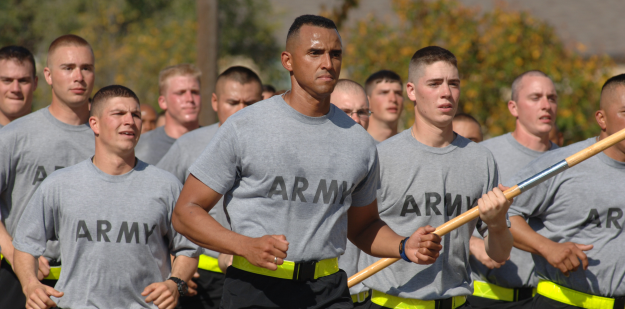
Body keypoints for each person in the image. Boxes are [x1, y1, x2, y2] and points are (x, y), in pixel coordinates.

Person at [171, 15, 444, 309]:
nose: (327, 62)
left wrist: (403, 245)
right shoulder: (244, 127)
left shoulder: (359, 141)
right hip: (254, 288)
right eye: (315, 53)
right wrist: (244, 245)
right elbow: (186, 212)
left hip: (326, 292)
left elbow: (363, 228)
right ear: (287, 60)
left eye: (335, 53)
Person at [12, 85, 200, 309]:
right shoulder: (59, 184)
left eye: (136, 114)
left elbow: (188, 248)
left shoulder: (166, 186)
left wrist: (175, 283)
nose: (130, 120)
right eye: (119, 114)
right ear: (95, 123)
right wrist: (30, 285)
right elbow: (25, 245)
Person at [358, 46, 513, 309]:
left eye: (453, 84)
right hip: (391, 302)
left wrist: (497, 223)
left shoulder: (481, 159)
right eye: (434, 83)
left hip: (455, 301)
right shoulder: (381, 157)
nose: (446, 93)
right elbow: (361, 230)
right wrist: (403, 246)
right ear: (411, 91)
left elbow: (499, 254)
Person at [507, 74, 625, 309]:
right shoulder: (562, 163)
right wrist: (546, 247)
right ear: (602, 119)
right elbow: (502, 213)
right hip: (562, 303)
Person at [0, 34, 96, 309]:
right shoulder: (15, 135)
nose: (78, 76)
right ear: (49, 75)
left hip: (87, 282)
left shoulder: (108, 137)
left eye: (86, 68)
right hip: (20, 281)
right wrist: (14, 251)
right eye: (68, 68)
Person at [157, 66, 263, 309]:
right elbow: (158, 205)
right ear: (215, 102)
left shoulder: (277, 148)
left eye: (250, 102)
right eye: (233, 102)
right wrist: (175, 263)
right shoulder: (189, 145)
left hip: (258, 273)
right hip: (202, 277)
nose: (241, 110)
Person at [468, 70, 559, 309]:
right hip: (484, 298)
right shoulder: (485, 155)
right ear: (513, 107)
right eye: (535, 97)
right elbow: (443, 213)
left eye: (552, 98)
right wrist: (471, 242)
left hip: (546, 300)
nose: (545, 105)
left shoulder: (568, 161)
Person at [330, 79, 372, 306]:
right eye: (346, 111)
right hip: (321, 295)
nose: (356, 119)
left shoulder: (380, 159)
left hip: (366, 297)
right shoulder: (309, 162)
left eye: (363, 112)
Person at [135, 64, 201, 164]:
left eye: (194, 92)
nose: (190, 99)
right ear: (163, 102)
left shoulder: (216, 143)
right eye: (181, 92)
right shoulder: (138, 147)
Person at [0, 46, 38, 128]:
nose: (15, 89)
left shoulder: (53, 137)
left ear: (35, 83)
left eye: (23, 81)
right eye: (7, 80)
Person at [365, 70, 404, 143]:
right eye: (384, 93)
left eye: (398, 93)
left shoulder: (412, 148)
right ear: (367, 102)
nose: (393, 99)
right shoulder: (356, 146)